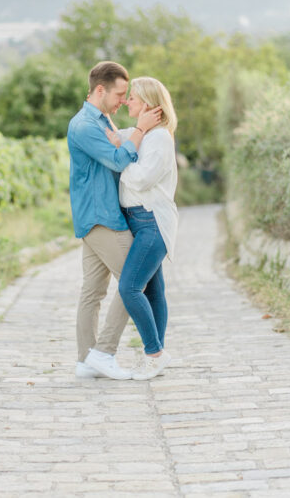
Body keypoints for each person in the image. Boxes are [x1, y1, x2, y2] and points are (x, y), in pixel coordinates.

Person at [67, 61, 162, 380]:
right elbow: (119, 160)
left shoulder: (102, 119)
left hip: (95, 215)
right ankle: (103, 352)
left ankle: (85, 361)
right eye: (120, 94)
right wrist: (141, 129)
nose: (124, 100)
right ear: (100, 90)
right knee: (134, 283)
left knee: (92, 291)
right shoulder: (84, 125)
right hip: (102, 216)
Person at [106, 77, 178, 381]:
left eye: (132, 98)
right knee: (153, 290)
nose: (127, 102)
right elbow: (115, 136)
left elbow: (141, 179)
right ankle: (156, 355)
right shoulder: (143, 133)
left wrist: (123, 158)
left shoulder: (159, 138)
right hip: (138, 221)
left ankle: (154, 354)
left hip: (151, 222)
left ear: (148, 104)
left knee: (130, 287)